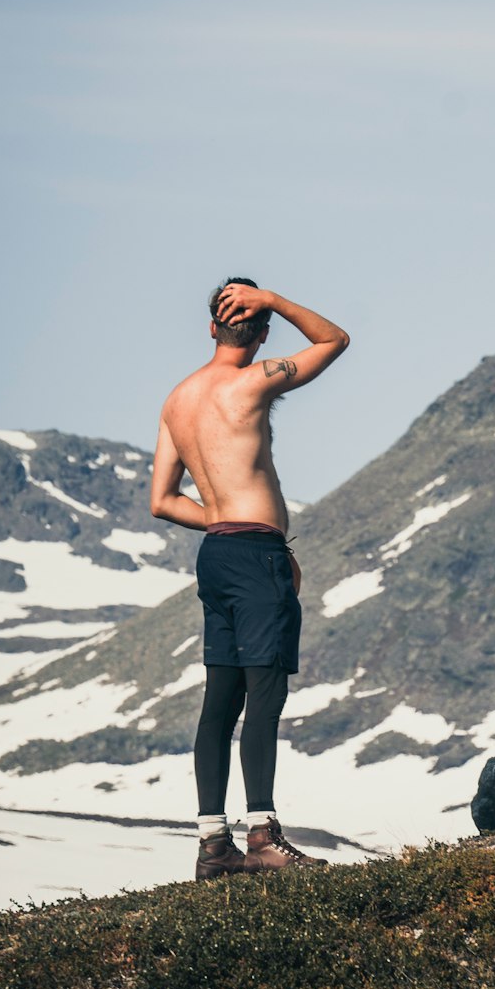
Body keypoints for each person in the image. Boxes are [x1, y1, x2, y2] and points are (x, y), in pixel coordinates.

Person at [151, 278, 349, 879]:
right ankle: (262, 835)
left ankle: (214, 845)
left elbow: (162, 501)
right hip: (257, 556)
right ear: (262, 331)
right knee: (264, 698)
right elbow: (335, 338)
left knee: (220, 700)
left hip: (215, 554)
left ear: (211, 327)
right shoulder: (255, 381)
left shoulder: (178, 399)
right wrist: (277, 300)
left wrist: (221, 516)